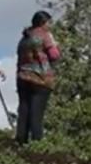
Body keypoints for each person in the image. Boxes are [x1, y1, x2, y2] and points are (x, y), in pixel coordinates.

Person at [15, 11, 60, 144]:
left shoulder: (24, 38)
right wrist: (55, 45)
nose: (50, 26)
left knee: (24, 109)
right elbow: (54, 55)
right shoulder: (44, 36)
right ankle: (37, 143)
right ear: (43, 23)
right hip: (41, 77)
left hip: (23, 77)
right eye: (49, 23)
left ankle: (21, 140)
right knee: (37, 112)